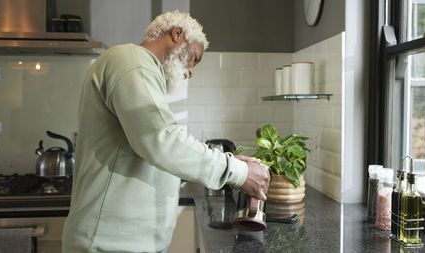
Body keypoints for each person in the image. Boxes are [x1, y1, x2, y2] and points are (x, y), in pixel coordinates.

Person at [61, 10, 270, 253]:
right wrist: (237, 171)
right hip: (107, 245)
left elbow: (156, 153)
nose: (191, 71)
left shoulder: (142, 73)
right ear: (177, 34)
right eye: (195, 58)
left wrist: (228, 161)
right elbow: (162, 140)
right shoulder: (129, 60)